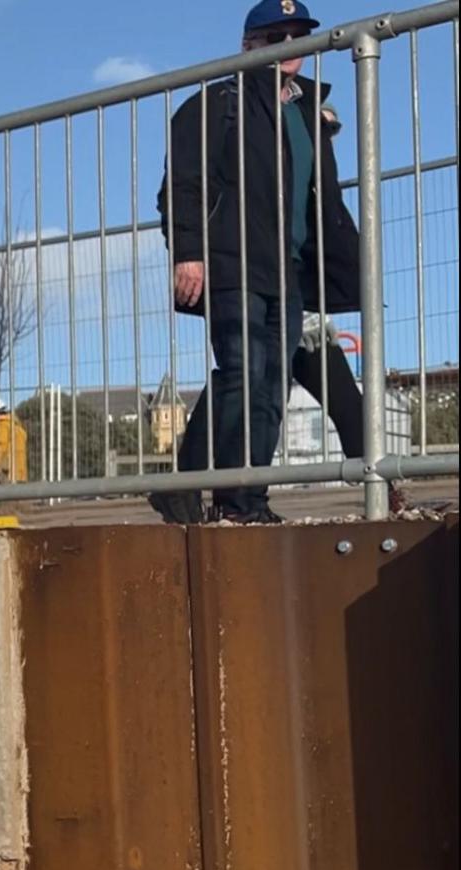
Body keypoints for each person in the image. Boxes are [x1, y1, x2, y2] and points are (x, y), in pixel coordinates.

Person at [154, 0, 362, 524]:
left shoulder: (307, 112)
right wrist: (189, 254)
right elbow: (181, 184)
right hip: (231, 263)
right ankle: (221, 491)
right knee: (243, 375)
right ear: (249, 46)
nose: (289, 46)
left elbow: (320, 200)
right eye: (275, 37)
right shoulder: (217, 102)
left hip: (288, 272)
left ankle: (244, 499)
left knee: (270, 389)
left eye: (298, 36)